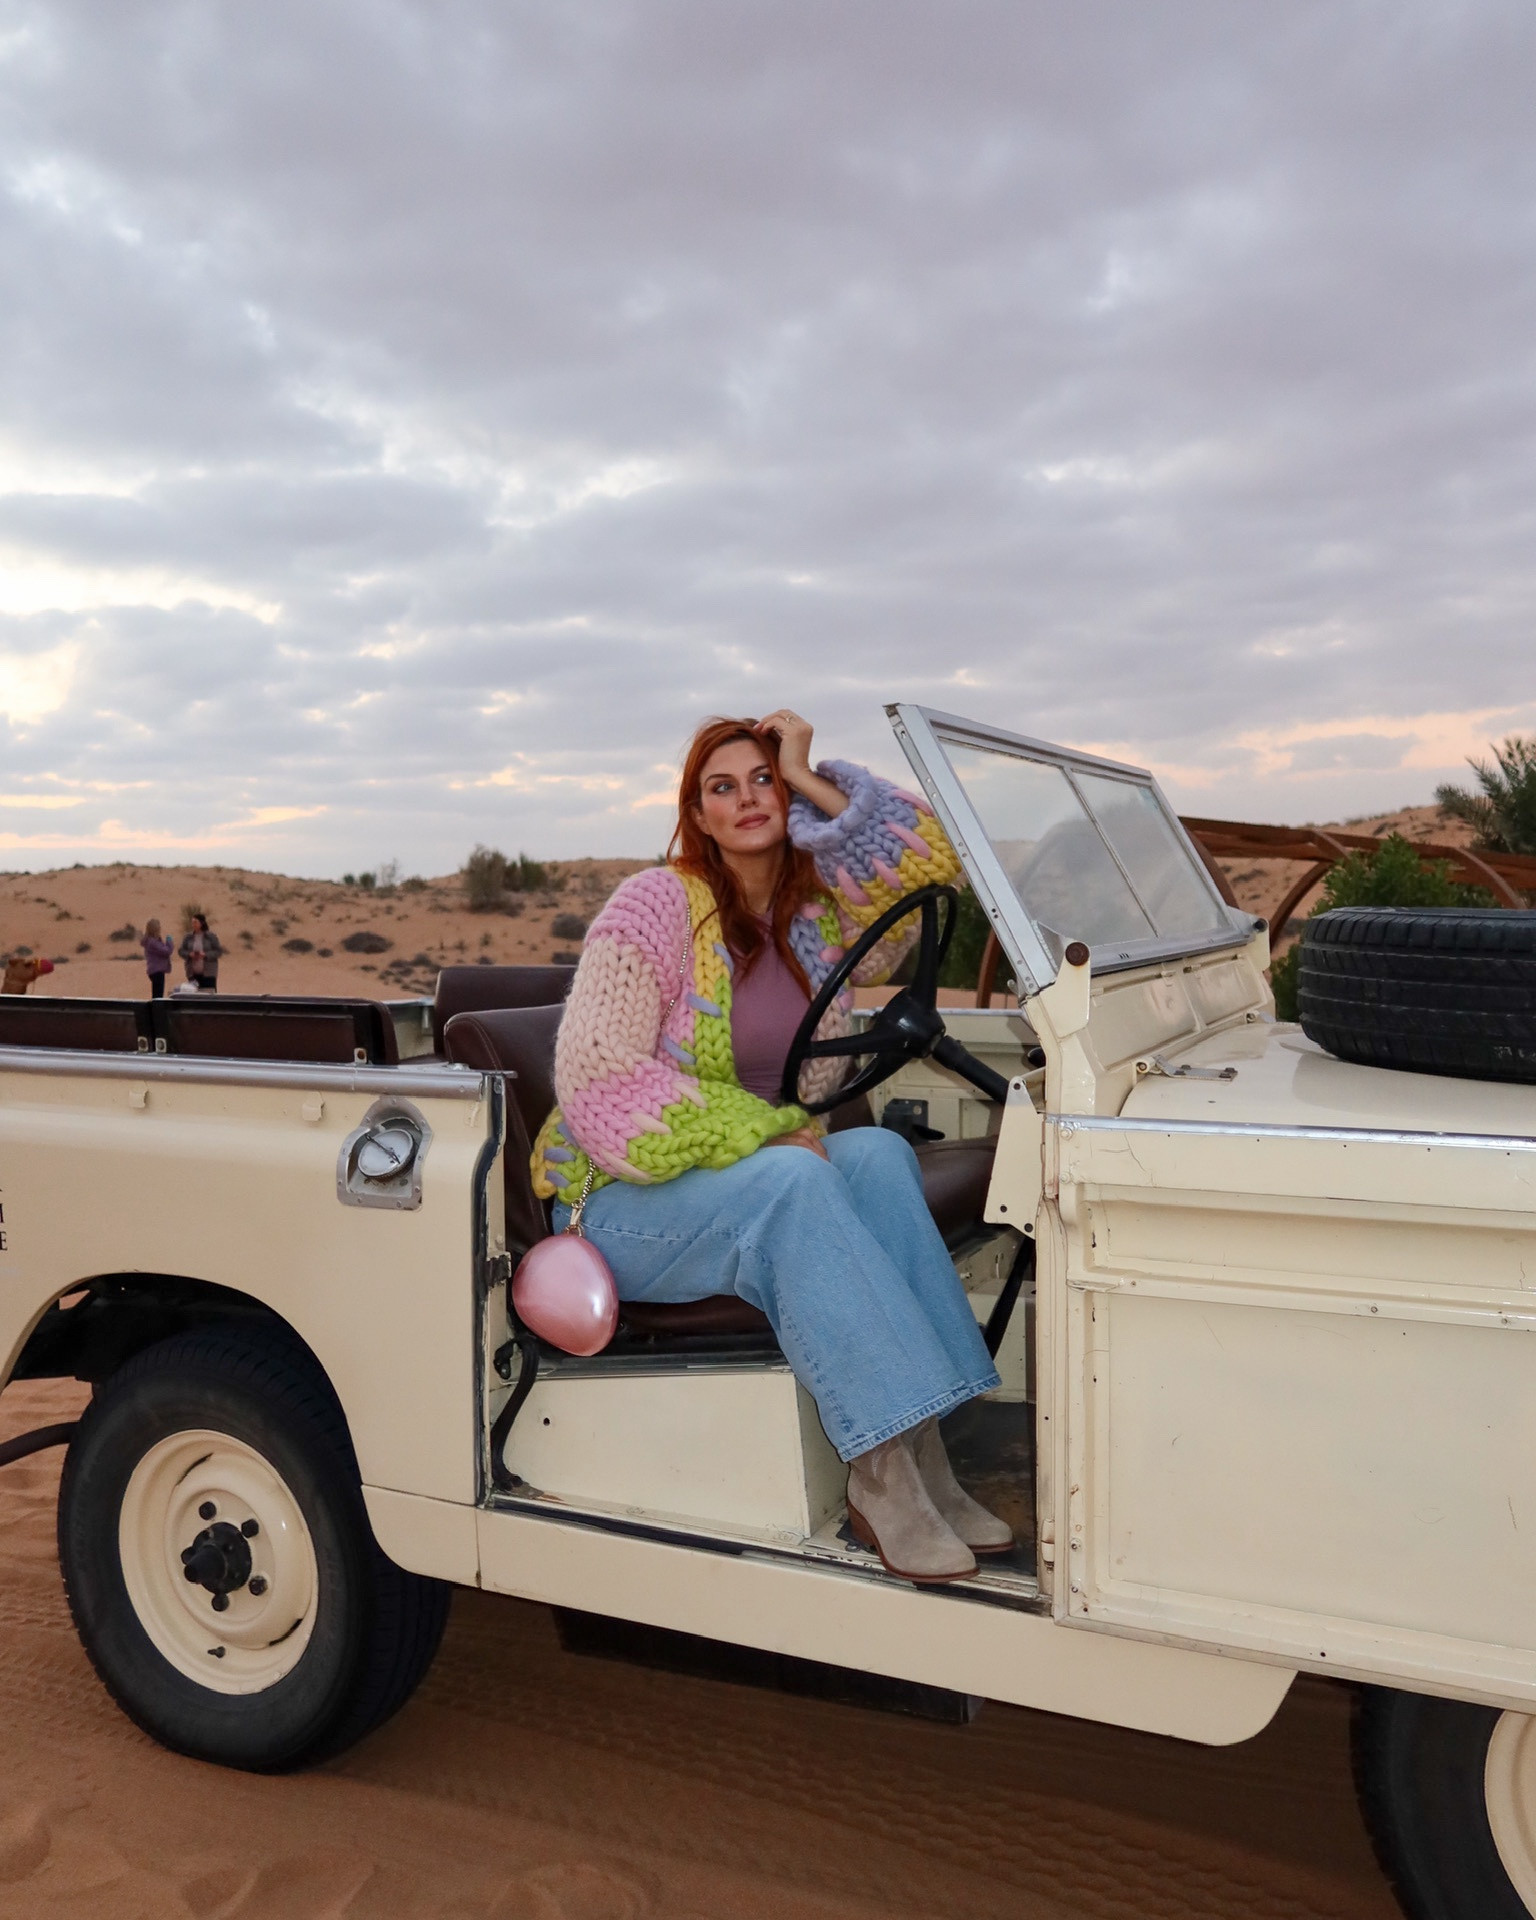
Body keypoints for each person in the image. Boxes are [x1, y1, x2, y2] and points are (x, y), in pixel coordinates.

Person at [532, 711, 1009, 1583]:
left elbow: (930, 859)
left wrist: (810, 773)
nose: (748, 798)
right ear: (698, 815)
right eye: (724, 787)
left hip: (756, 1178)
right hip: (620, 1200)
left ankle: (926, 1449)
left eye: (764, 780)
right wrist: (766, 1132)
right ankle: (882, 1472)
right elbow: (599, 1075)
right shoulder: (654, 905)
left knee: (879, 1157)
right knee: (796, 1172)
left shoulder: (814, 915)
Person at [179, 913, 222, 991]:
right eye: (192, 922)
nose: (193, 925)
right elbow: (181, 951)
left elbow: (218, 951)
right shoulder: (188, 937)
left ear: (202, 923)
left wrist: (206, 955)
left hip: (209, 973)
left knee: (208, 995)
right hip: (192, 974)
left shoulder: (211, 936)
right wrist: (189, 954)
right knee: (194, 995)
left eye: (195, 922)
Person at [140, 918, 173, 999]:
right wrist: (169, 941)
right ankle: (156, 1007)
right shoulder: (152, 942)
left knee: (156, 994)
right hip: (157, 970)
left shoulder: (151, 941)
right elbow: (167, 951)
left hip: (154, 970)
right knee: (158, 996)